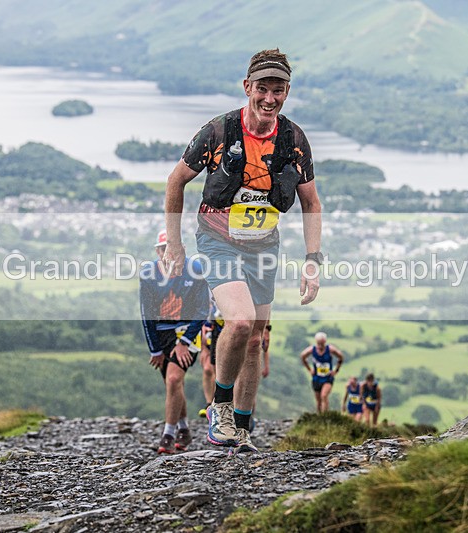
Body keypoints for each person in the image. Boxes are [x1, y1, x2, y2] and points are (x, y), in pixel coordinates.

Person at [162, 48, 322, 453]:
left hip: (263, 245)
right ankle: (221, 408)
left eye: (279, 90)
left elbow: (311, 203)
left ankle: (241, 431)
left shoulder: (293, 138)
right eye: (263, 89)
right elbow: (175, 181)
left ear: (287, 91)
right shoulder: (218, 131)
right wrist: (175, 243)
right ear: (247, 87)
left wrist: (312, 262)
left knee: (255, 339)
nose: (270, 98)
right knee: (238, 321)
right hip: (217, 239)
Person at [140, 229, 209, 454]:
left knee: (173, 379)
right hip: (162, 332)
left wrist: (185, 341)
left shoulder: (195, 270)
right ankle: (184, 429)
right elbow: (147, 314)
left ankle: (167, 435)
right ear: (157, 251)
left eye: (172, 249)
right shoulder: (149, 274)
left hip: (187, 331)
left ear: (182, 250)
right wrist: (155, 349)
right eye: (163, 250)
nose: (167, 254)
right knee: (173, 384)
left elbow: (202, 309)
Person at [300, 331, 344, 413]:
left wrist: (336, 370)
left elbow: (341, 357)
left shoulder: (330, 349)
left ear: (325, 342)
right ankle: (319, 418)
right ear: (316, 342)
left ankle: (325, 416)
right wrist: (309, 369)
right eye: (319, 343)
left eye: (322, 343)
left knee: (324, 396)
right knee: (318, 400)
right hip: (316, 378)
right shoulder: (312, 350)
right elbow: (302, 356)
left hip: (328, 378)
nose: (320, 346)